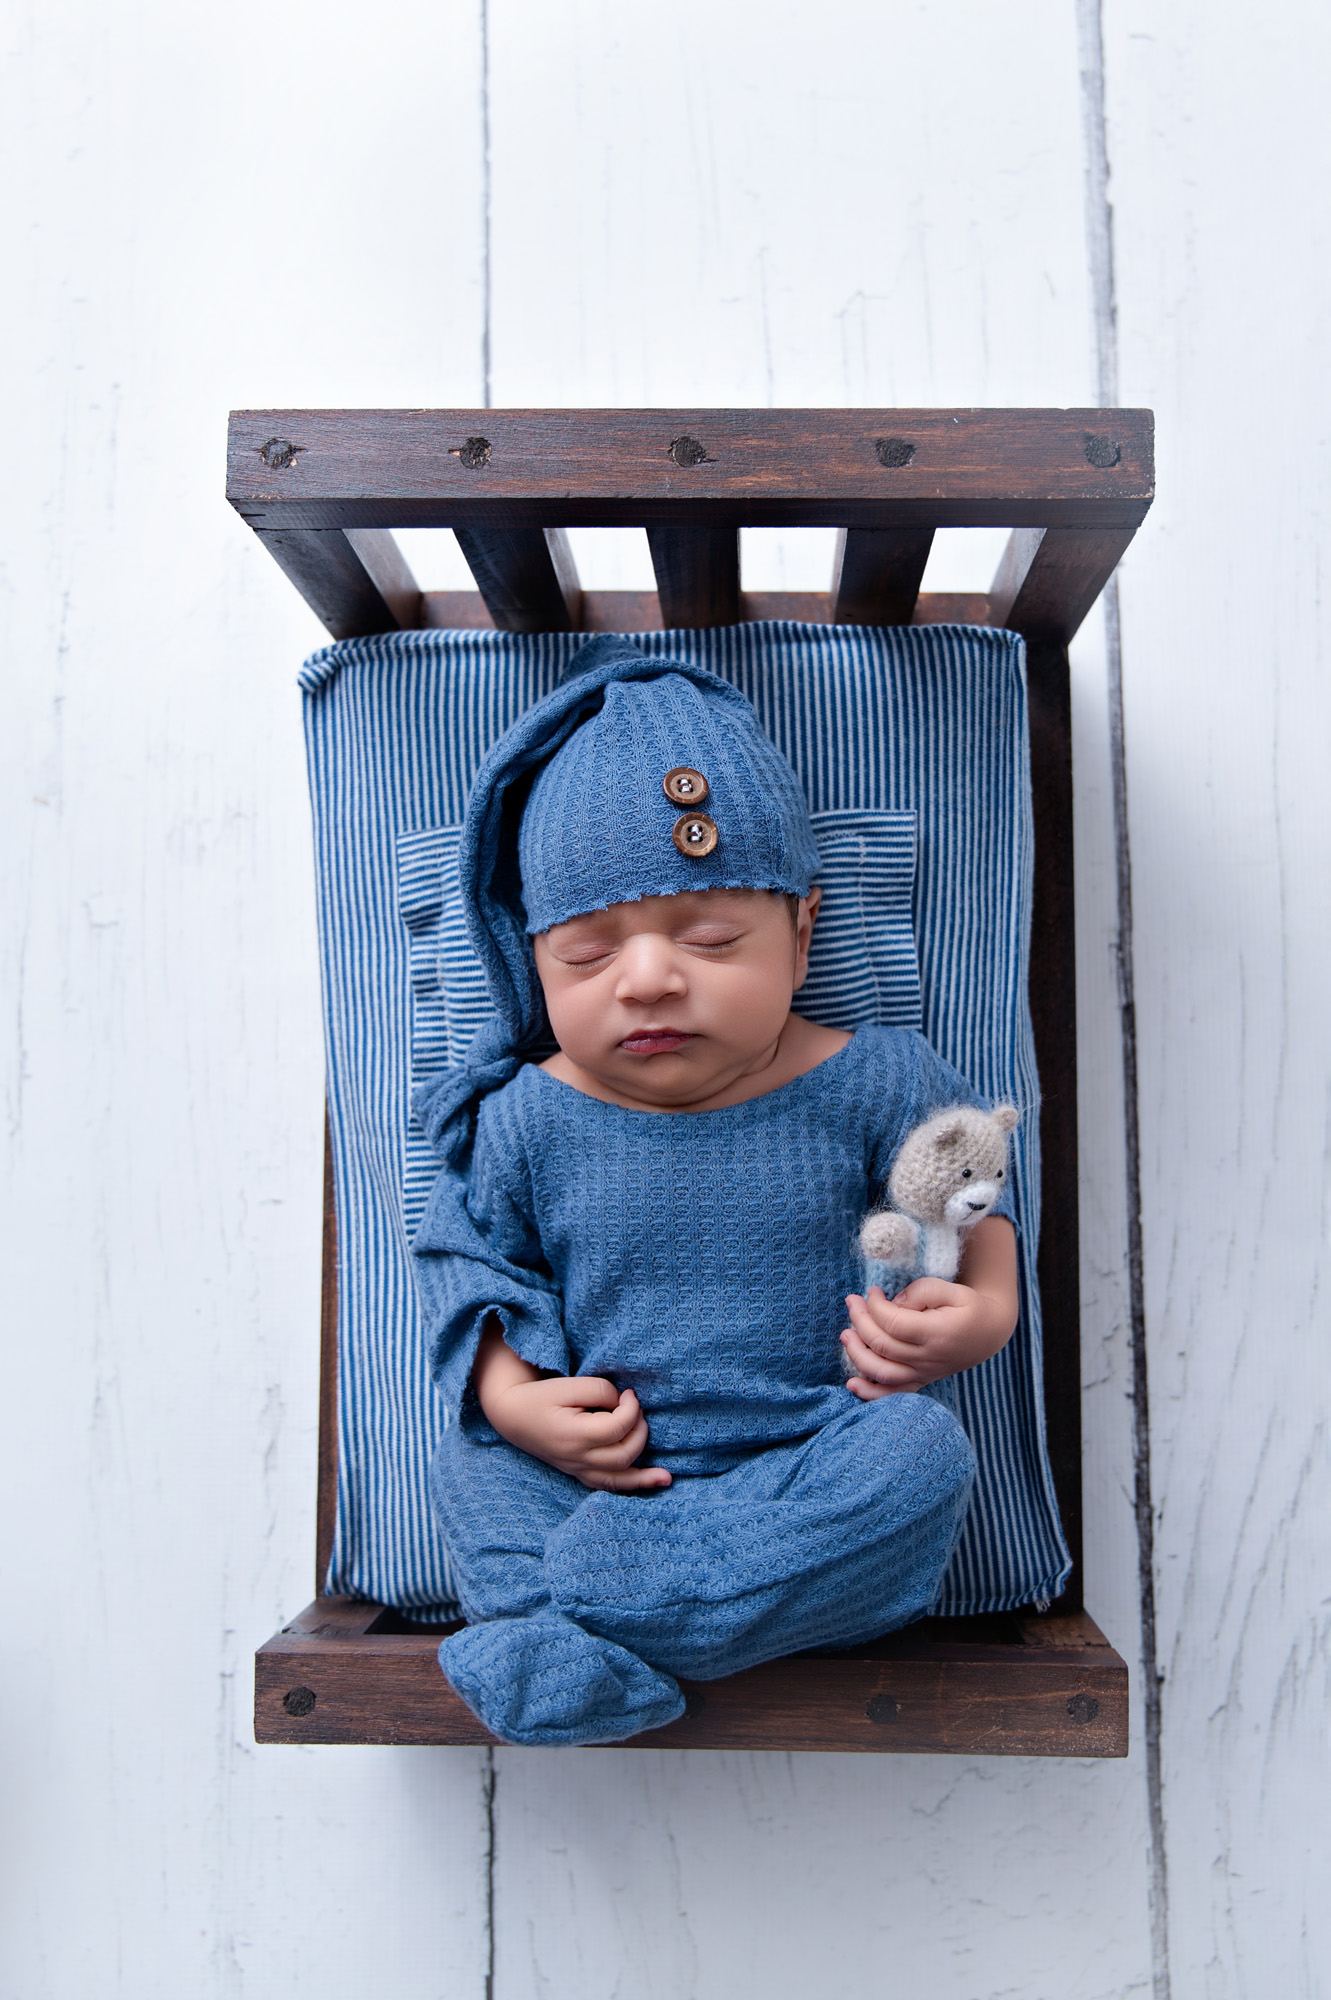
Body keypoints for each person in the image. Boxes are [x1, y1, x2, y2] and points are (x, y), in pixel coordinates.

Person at [410, 637, 1019, 1745]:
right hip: (605, 1479)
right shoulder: (523, 1117)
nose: (647, 976)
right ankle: (618, 1619)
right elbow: (468, 1269)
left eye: (709, 936)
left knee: (919, 1455)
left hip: (808, 1457)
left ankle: (590, 1616)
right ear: (533, 967)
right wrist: (509, 1397)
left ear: (801, 932)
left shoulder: (875, 1077)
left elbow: (970, 1198)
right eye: (587, 957)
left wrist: (980, 1313)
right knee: (468, 1451)